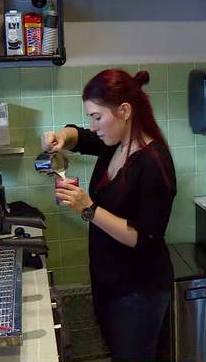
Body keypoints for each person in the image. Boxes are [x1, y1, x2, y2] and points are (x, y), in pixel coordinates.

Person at [41, 69, 176, 361]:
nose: (93, 125)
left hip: (139, 291)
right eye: (90, 116)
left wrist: (88, 208)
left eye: (97, 117)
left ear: (124, 111)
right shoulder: (113, 143)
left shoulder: (154, 163)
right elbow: (81, 137)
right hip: (109, 284)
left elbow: (144, 239)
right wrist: (60, 137)